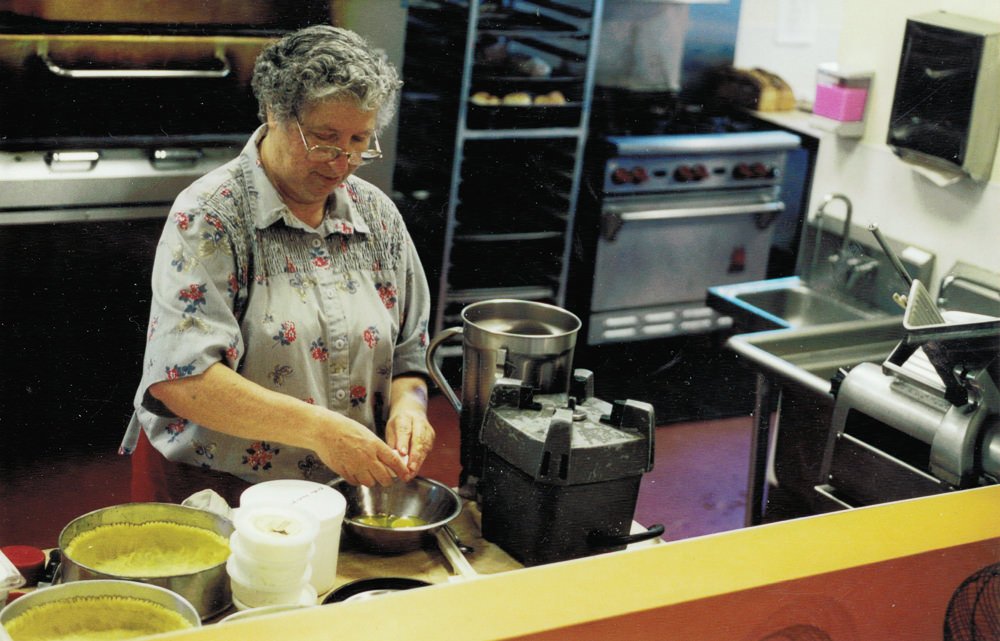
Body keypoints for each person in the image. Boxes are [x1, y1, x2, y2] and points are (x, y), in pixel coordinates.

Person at [120, 25, 435, 505]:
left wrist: (410, 409)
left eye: (359, 141)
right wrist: (322, 430)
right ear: (274, 113)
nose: (341, 162)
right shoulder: (213, 215)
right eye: (325, 139)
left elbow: (410, 356)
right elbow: (183, 380)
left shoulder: (377, 217)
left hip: (334, 492)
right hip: (214, 489)